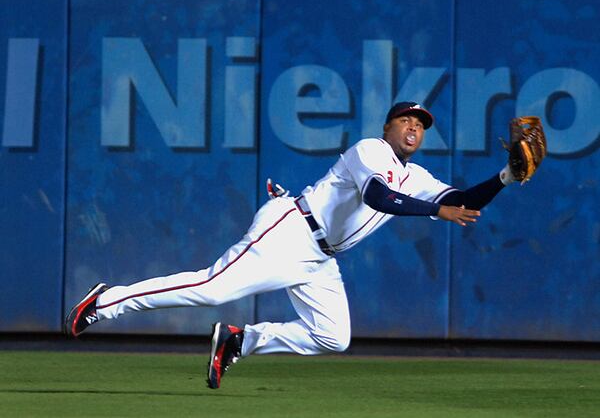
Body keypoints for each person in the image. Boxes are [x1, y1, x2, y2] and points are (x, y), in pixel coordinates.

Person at [65, 101, 521, 389]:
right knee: (213, 289)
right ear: (388, 126)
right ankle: (107, 301)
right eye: (406, 119)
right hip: (292, 230)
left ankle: (241, 343)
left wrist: (506, 177)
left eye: (420, 125)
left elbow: (460, 200)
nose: (413, 128)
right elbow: (377, 197)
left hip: (320, 260)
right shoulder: (370, 150)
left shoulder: (417, 177)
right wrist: (433, 211)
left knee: (333, 336)